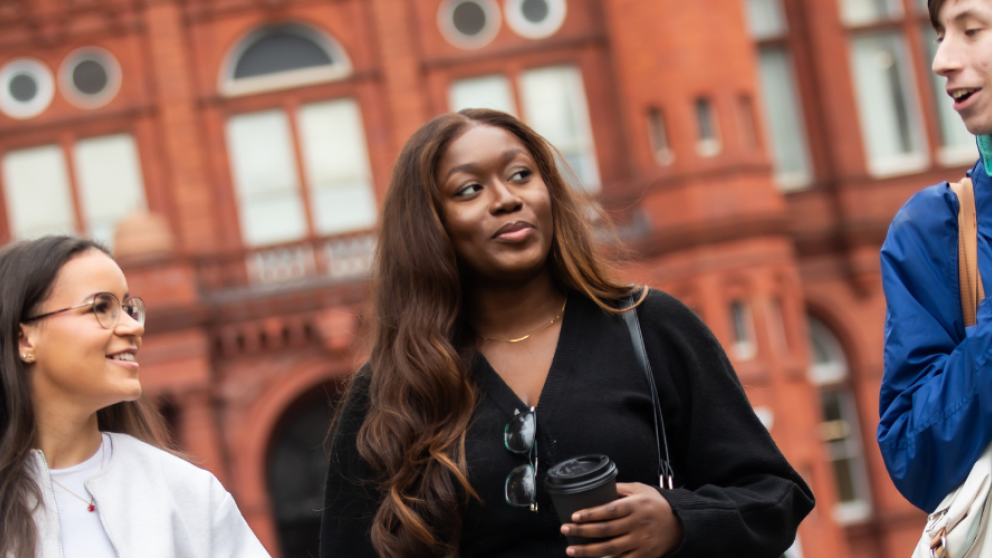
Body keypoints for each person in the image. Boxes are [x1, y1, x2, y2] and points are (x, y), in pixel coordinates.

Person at [319, 109, 813, 558]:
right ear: (428, 225)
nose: (507, 199)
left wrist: (679, 521)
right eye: (469, 189)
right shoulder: (387, 391)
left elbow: (775, 494)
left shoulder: (651, 326)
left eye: (521, 175)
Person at [0, 236, 270, 558]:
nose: (133, 328)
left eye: (128, 308)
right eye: (101, 307)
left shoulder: (183, 490)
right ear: (24, 338)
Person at [878, 0, 992, 513]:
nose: (941, 59)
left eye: (971, 30)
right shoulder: (933, 229)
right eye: (940, 34)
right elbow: (911, 454)